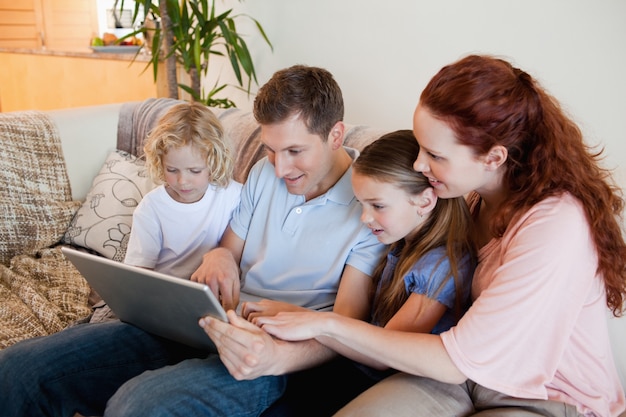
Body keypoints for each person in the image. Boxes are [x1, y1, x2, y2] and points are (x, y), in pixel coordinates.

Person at [0, 65, 386, 417]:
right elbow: (228, 249)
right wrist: (220, 256)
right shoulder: (264, 174)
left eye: (294, 151)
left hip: (273, 355)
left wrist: (276, 358)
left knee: (136, 407)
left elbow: (346, 325)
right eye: (270, 149)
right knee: (17, 370)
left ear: (336, 134)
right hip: (208, 321)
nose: (280, 167)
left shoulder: (371, 206)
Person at [260, 55, 626, 417]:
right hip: (462, 378)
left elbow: (454, 359)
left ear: (494, 158)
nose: (419, 165)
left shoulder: (555, 225)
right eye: (420, 147)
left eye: (434, 154)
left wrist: (324, 323)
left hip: (546, 396)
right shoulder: (467, 200)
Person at [256, 129, 476, 416]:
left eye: (378, 205)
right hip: (351, 367)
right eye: (362, 204)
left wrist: (311, 322)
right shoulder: (399, 242)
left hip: (379, 381)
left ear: (424, 201)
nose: (365, 218)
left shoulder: (443, 264)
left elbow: (384, 352)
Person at [125, 101, 242, 278]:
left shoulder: (232, 196)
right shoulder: (151, 207)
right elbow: (140, 272)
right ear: (160, 162)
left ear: (214, 161)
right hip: (166, 291)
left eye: (194, 171)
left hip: (213, 290)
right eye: (172, 170)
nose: (182, 181)